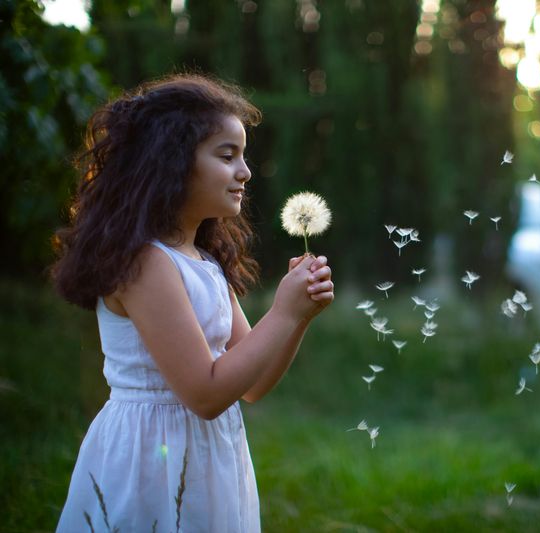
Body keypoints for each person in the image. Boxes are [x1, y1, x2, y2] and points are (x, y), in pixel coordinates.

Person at [50, 73, 334, 532]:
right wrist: (282, 311)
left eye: (244, 156)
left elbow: (253, 385)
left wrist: (299, 316)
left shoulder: (204, 261)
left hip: (209, 455)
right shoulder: (145, 263)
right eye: (227, 155)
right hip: (151, 459)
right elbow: (205, 394)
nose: (245, 172)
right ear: (173, 162)